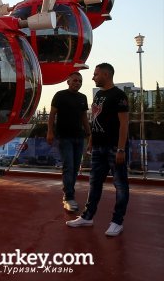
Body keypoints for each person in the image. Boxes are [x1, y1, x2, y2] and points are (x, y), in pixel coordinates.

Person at [66, 63, 130, 237]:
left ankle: (117, 222)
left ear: (106, 75)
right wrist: (91, 141)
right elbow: (95, 119)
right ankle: (87, 217)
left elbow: (124, 124)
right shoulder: (99, 95)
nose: (93, 77)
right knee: (94, 183)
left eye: (96, 74)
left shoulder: (119, 96)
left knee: (120, 185)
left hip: (114, 147)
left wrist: (121, 149)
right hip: (98, 147)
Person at [47, 72, 90, 212]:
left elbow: (84, 117)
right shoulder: (60, 95)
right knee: (68, 166)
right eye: (75, 80)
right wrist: (50, 132)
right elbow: (52, 115)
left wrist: (89, 135)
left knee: (76, 167)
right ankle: (69, 197)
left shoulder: (83, 98)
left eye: (80, 81)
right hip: (64, 137)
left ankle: (69, 194)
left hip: (79, 137)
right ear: (68, 81)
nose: (78, 83)